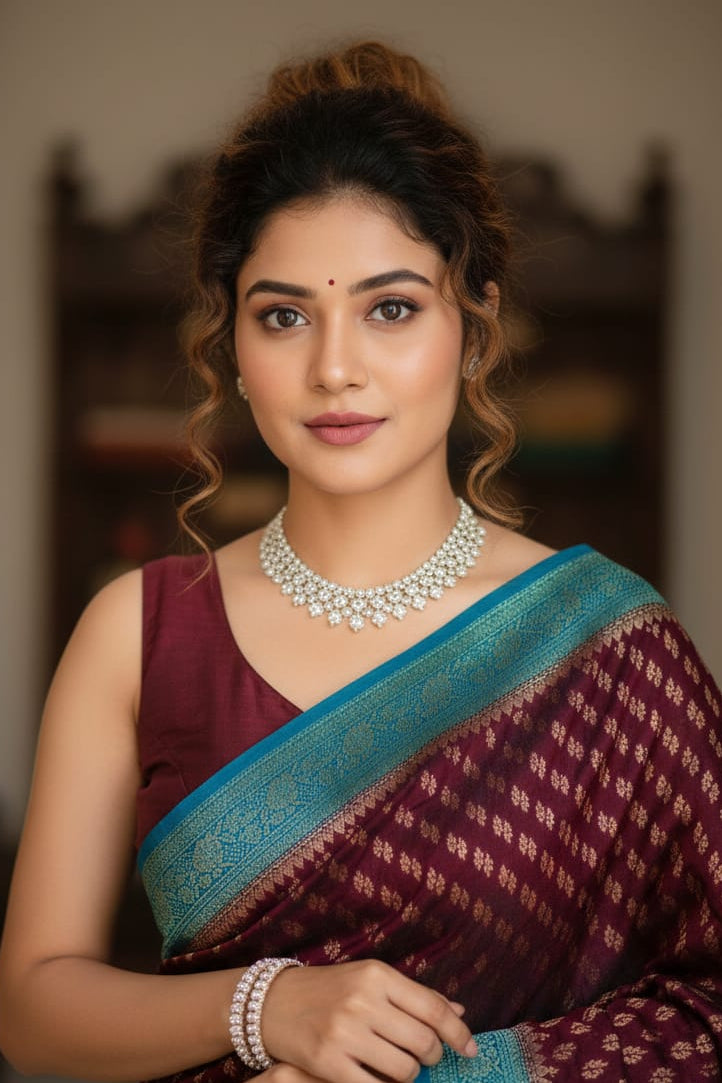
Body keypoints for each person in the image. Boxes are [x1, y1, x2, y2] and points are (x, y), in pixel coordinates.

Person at [1, 39, 721, 1083]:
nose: (334, 367)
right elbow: (32, 1008)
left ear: (474, 325)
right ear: (232, 347)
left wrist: (454, 1075)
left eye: (391, 308)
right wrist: (266, 1006)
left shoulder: (610, 647)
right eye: (284, 315)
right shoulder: (141, 632)